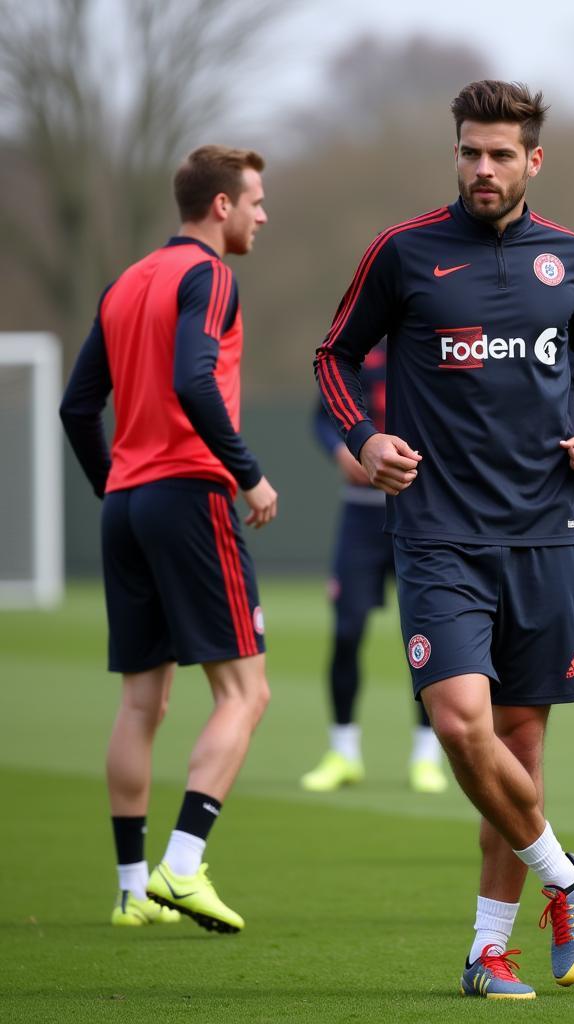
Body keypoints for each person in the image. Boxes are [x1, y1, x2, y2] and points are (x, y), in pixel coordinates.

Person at [314, 80, 574, 998]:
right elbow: (334, 355)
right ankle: (568, 877)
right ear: (454, 154)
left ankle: (487, 953)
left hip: (539, 537)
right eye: (468, 152)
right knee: (461, 724)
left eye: (500, 154)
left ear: (535, 159)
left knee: (518, 758)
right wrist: (364, 437)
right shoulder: (405, 252)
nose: (482, 169)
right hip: (438, 534)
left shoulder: (573, 259)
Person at [59, 145, 275, 933]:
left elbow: (77, 409)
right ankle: (180, 869)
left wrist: (112, 485)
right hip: (190, 494)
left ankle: (127, 892)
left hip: (125, 502)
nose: (262, 214)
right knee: (246, 693)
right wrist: (248, 474)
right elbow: (193, 377)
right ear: (221, 206)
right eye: (255, 200)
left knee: (142, 699)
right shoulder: (210, 275)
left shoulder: (124, 282)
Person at [301, 341, 447, 795]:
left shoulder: (436, 344)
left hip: (423, 514)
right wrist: (339, 451)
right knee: (347, 631)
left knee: (427, 638)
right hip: (362, 516)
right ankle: (343, 750)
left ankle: (427, 756)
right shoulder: (358, 353)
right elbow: (320, 417)